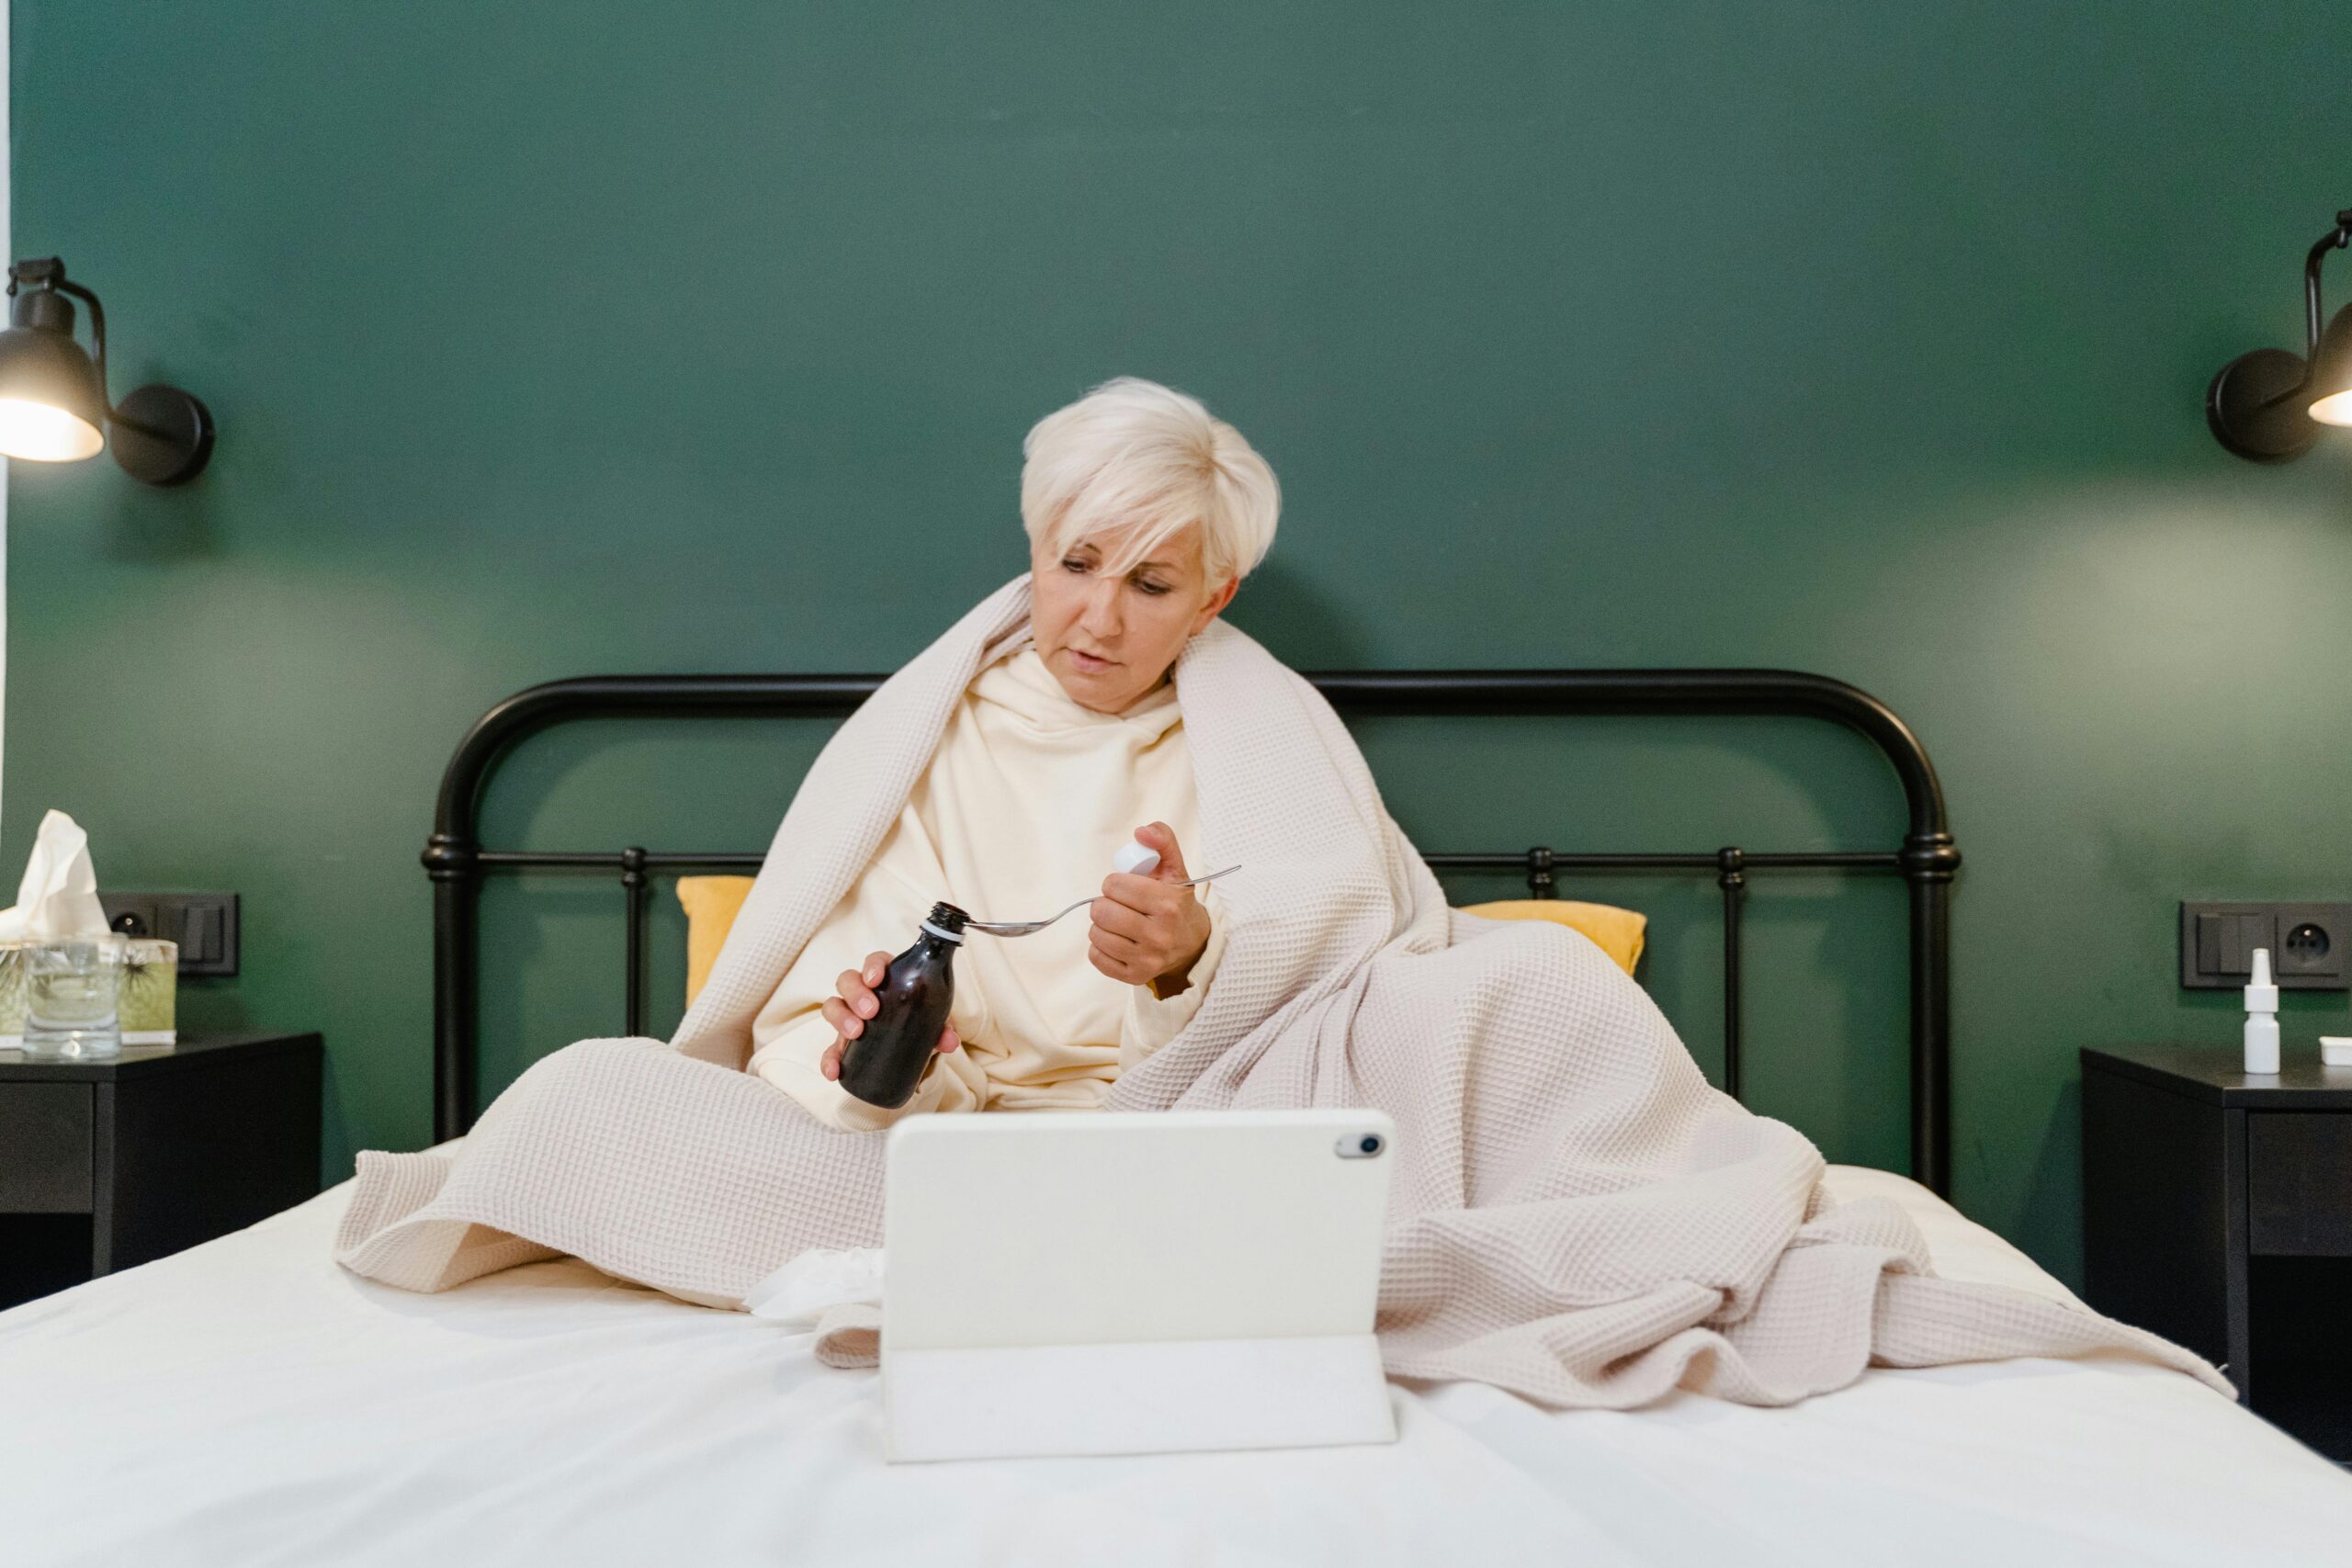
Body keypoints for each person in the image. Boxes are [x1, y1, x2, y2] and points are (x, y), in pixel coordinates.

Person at [747, 378, 1280, 1130]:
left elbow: (1331, 1004)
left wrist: (1186, 966)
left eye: (1151, 584)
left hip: (1163, 1136)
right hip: (936, 1137)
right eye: (1075, 565)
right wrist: (900, 1053)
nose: (1100, 619)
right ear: (1035, 550)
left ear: (1211, 600)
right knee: (584, 1086)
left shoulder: (1268, 758)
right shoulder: (923, 742)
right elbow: (805, 1042)